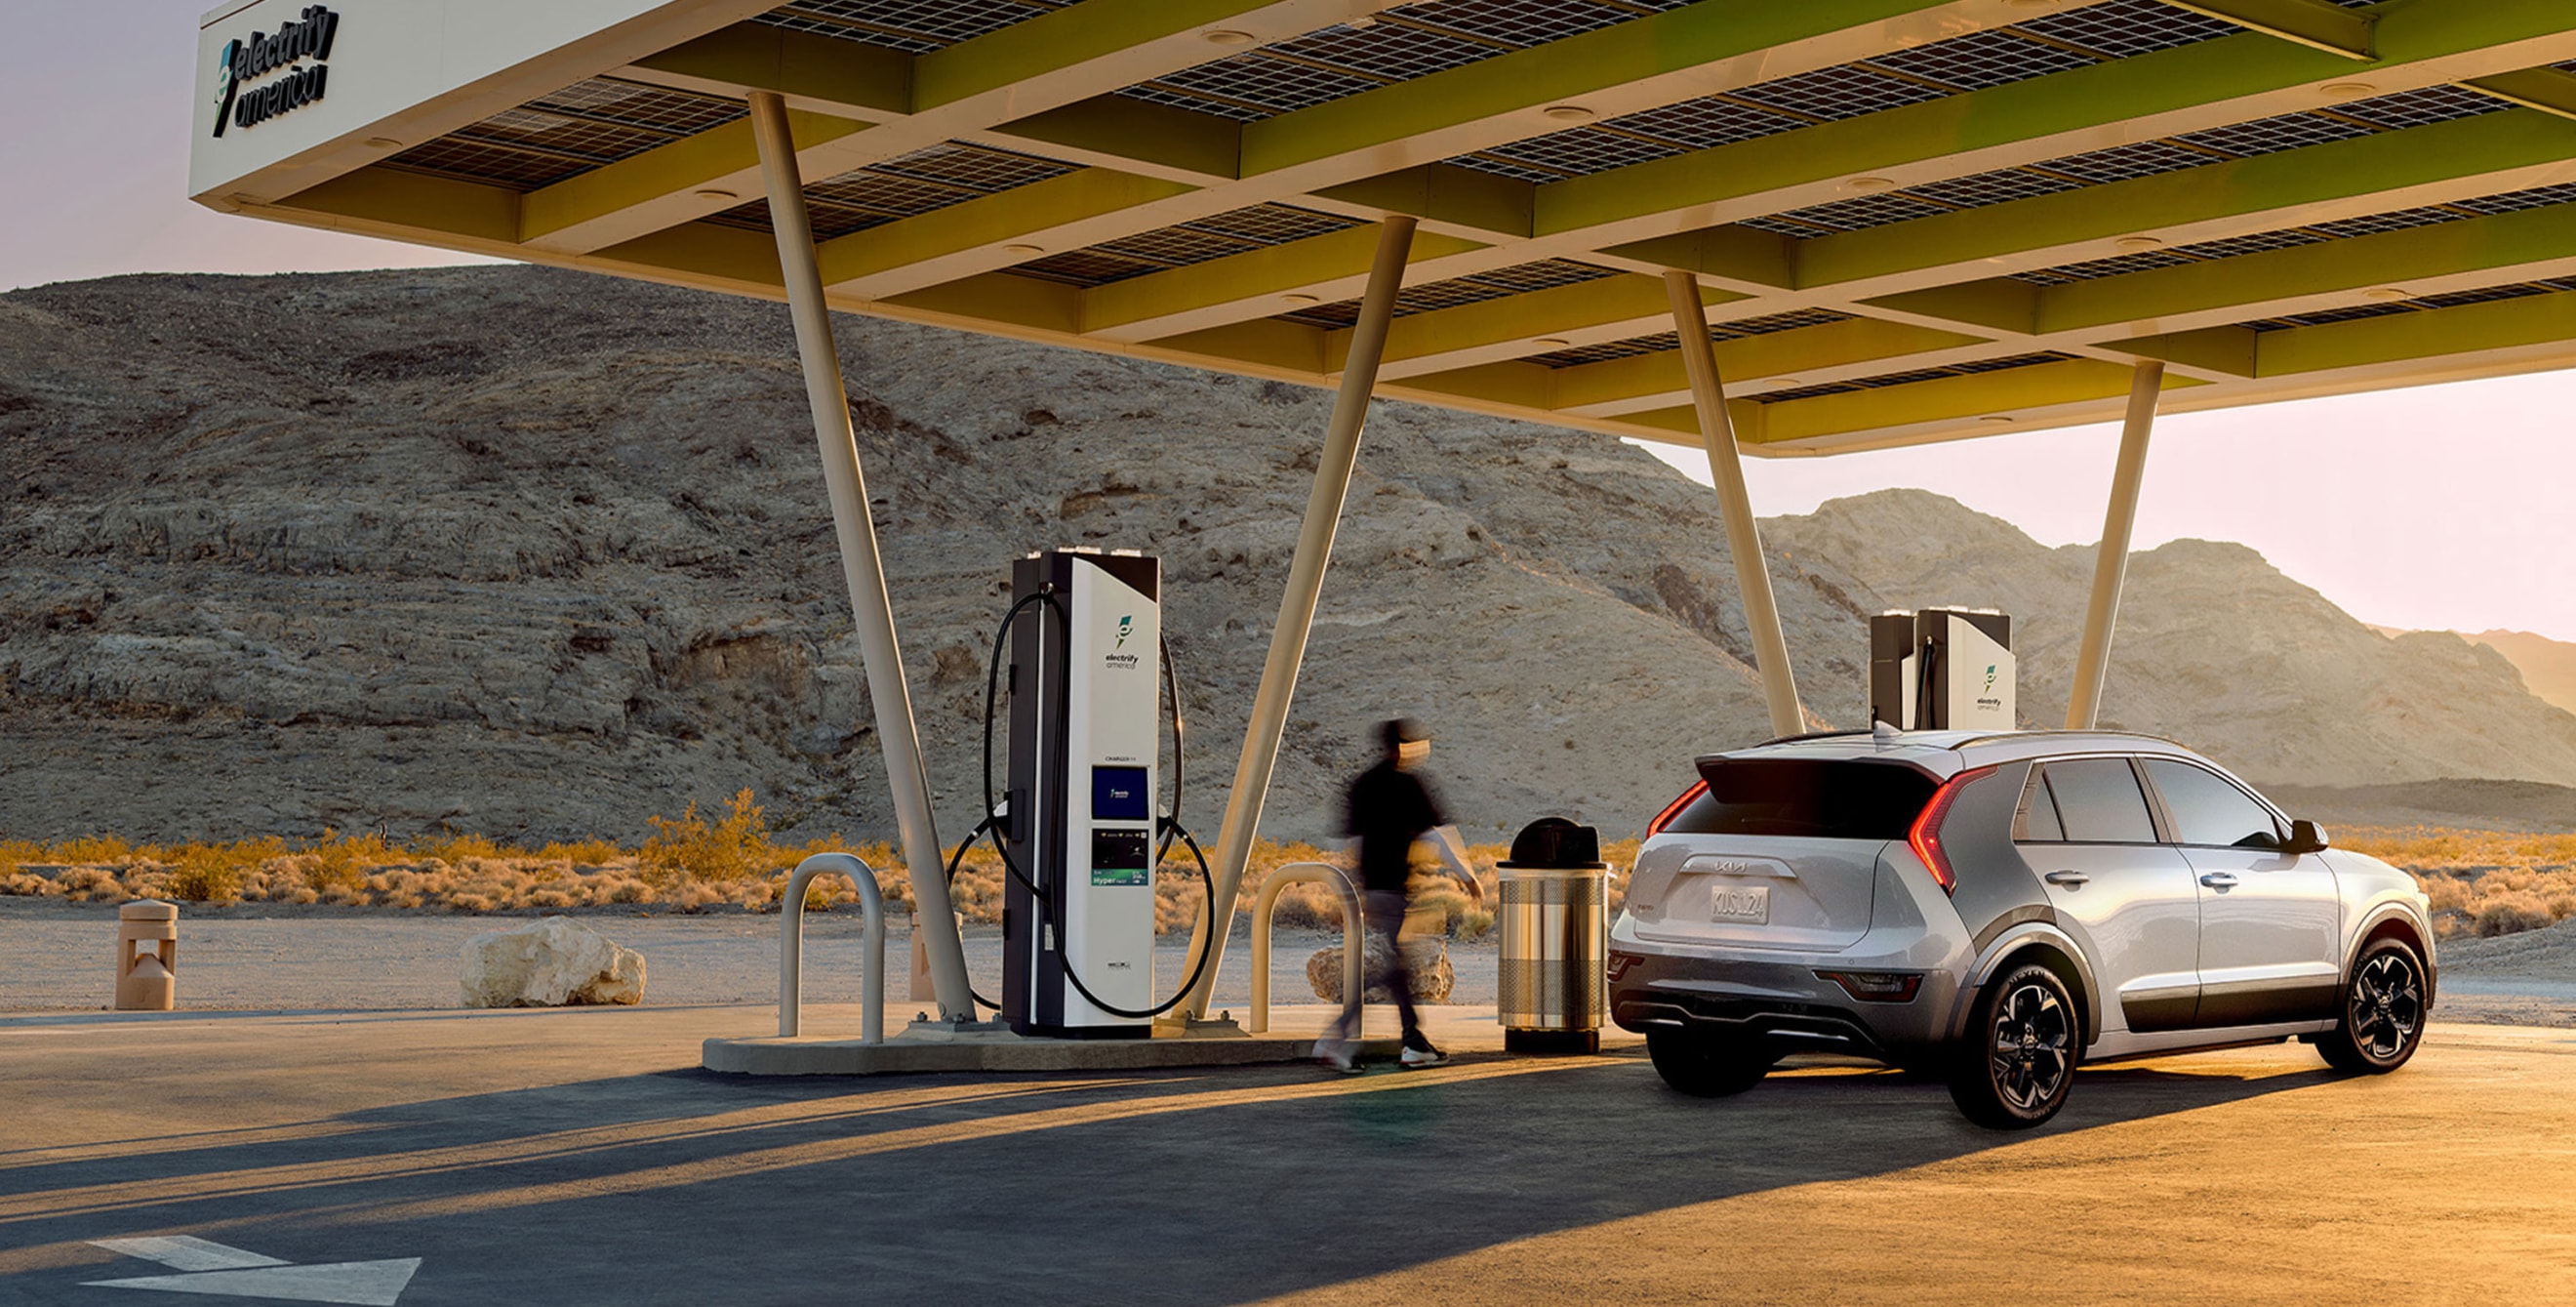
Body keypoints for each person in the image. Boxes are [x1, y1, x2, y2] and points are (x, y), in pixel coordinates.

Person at [1317, 718, 1482, 1074]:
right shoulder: (1409, 784)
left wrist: (1353, 892)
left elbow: (1349, 843)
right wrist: (1468, 878)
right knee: (1395, 971)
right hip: (1394, 889)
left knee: (1397, 968)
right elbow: (1438, 837)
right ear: (1403, 747)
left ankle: (1411, 1041)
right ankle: (1354, 1037)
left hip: (1373, 890)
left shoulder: (1362, 784)